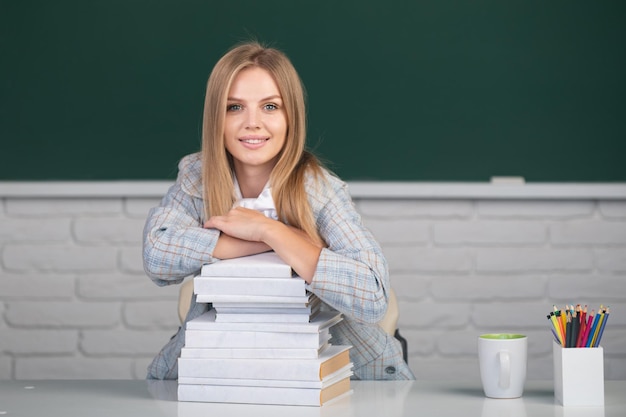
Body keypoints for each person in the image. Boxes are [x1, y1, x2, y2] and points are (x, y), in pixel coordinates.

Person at [143, 41, 415, 380]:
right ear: (217, 118)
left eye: (270, 107)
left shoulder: (319, 189)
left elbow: (373, 294)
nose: (252, 123)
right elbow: (158, 254)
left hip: (335, 372)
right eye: (234, 108)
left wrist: (272, 230)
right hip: (226, 368)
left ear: (291, 117)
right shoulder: (198, 176)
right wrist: (267, 241)